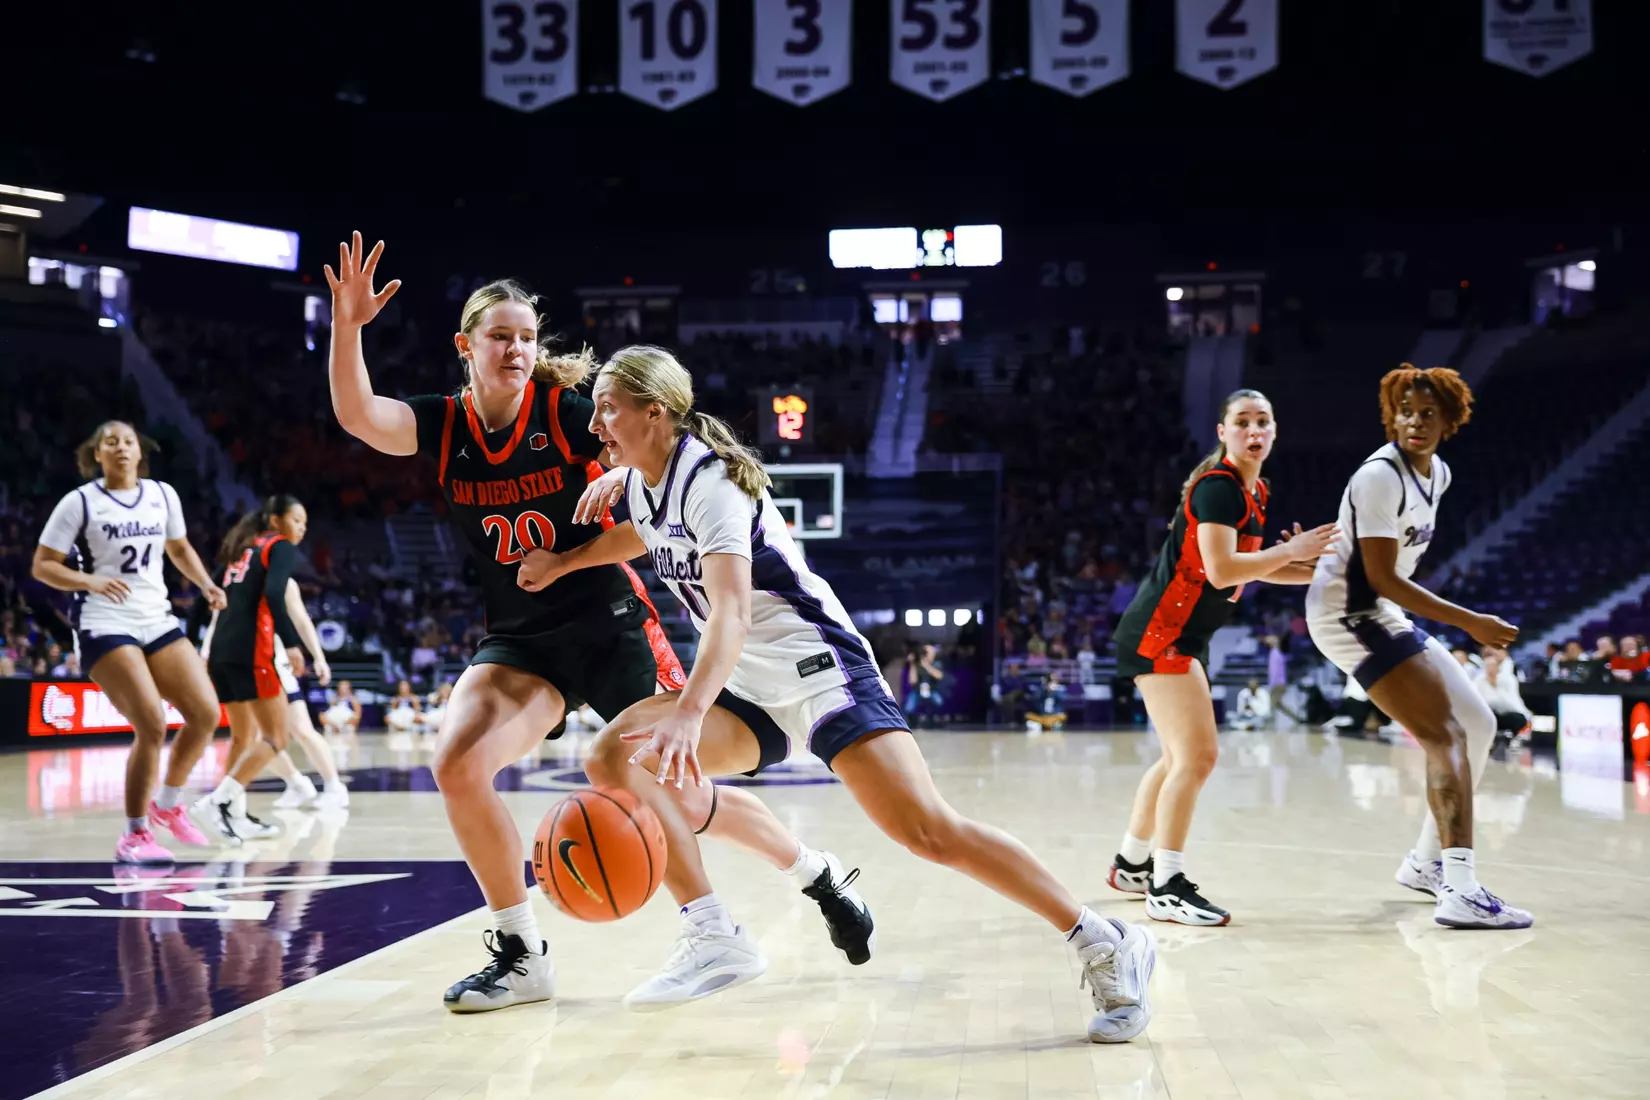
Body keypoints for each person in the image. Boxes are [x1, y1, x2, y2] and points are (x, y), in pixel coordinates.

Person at [538, 344, 1155, 1042]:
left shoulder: (710, 484)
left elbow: (733, 614)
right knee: (615, 756)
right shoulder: (643, 481)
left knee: (928, 831)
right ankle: (714, 934)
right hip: (747, 684)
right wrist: (568, 558)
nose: (596, 424)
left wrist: (687, 711)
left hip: (817, 671)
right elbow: (643, 536)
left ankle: (1103, 938)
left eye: (608, 410)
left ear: (655, 412)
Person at [324, 235, 874, 1014]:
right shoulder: (445, 427)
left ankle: (807, 876)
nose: (516, 348)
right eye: (500, 336)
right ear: (466, 347)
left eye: (525, 337)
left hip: (609, 620)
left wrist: (605, 494)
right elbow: (359, 414)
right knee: (456, 765)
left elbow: (660, 451)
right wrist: (348, 326)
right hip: (521, 639)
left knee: (673, 787)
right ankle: (520, 952)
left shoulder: (568, 412)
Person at [1305, 365, 1531, 929]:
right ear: (1391, 416)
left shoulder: (1440, 474)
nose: (1414, 422)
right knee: (1443, 734)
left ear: (1449, 420)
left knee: (1477, 725)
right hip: (1348, 613)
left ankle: (1425, 865)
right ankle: (1461, 888)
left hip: (1379, 611)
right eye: (1405, 411)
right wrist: (1470, 622)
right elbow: (1380, 578)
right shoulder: (1379, 477)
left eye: (1428, 413)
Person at [1106, 390, 1337, 926]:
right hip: (1162, 634)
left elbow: (1252, 565)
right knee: (1197, 758)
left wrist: (1316, 570)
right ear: (1223, 432)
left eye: (1263, 422)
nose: (1253, 431)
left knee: (1175, 758)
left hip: (1177, 637)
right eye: (1243, 422)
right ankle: (1166, 883)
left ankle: (1132, 865)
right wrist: (1290, 553)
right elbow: (1221, 570)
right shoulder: (1218, 489)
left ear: (1275, 431)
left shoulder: (1253, 492)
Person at [31, 420, 226, 863]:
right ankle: (134, 834)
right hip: (103, 620)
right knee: (152, 724)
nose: (120, 447)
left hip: (155, 617)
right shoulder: (79, 502)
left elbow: (178, 549)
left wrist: (205, 584)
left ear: (141, 452)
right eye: (110, 442)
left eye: (128, 441)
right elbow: (43, 566)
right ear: (96, 455)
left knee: (206, 713)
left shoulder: (162, 494)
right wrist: (90, 581)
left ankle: (169, 802)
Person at [187, 495, 312, 845]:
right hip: (252, 651)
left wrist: (190, 641)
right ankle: (219, 801)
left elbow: (202, 598)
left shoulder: (238, 550)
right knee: (277, 737)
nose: (301, 528)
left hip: (220, 654)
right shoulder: (279, 546)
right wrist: (290, 643)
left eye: (304, 523)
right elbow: (275, 594)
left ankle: (235, 815)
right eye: (297, 520)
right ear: (275, 521)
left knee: (244, 738)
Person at [1473, 647, 1530, 744]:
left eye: (1493, 666)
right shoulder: (1478, 681)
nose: (1491, 669)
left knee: (1519, 718)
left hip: (1506, 712)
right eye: (1488, 666)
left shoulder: (1508, 680)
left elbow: (1513, 700)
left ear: (1498, 667)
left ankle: (1511, 739)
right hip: (1487, 713)